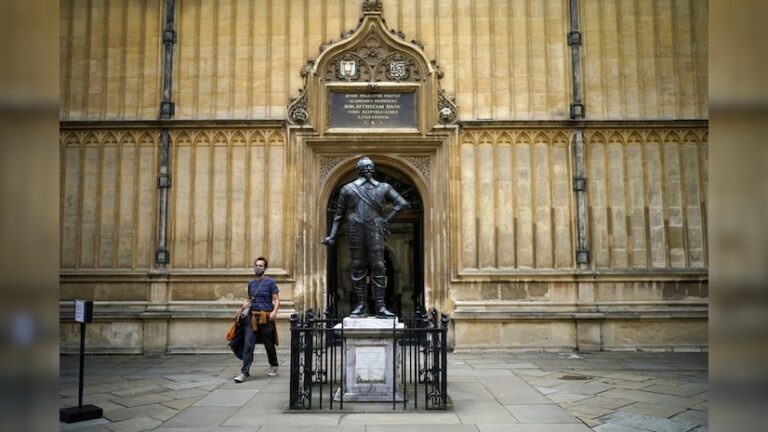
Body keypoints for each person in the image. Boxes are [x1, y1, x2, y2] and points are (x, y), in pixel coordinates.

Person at [321, 156, 408, 318]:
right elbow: (338, 215)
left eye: (370, 167)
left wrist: (385, 220)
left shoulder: (384, 187)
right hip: (355, 228)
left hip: (375, 228)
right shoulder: (348, 189)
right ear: (359, 170)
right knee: (358, 265)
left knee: (378, 266)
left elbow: (402, 203)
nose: (368, 170)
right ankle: (361, 304)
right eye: (365, 167)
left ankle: (380, 306)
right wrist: (332, 235)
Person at [234, 257, 280, 382]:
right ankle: (244, 372)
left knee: (269, 344)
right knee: (248, 344)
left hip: (266, 317)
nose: (258, 267)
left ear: (265, 268)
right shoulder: (251, 283)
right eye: (256, 265)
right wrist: (246, 304)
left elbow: (276, 299)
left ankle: (274, 365)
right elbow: (250, 298)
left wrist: (274, 312)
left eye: (261, 265)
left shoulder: (270, 282)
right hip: (252, 318)